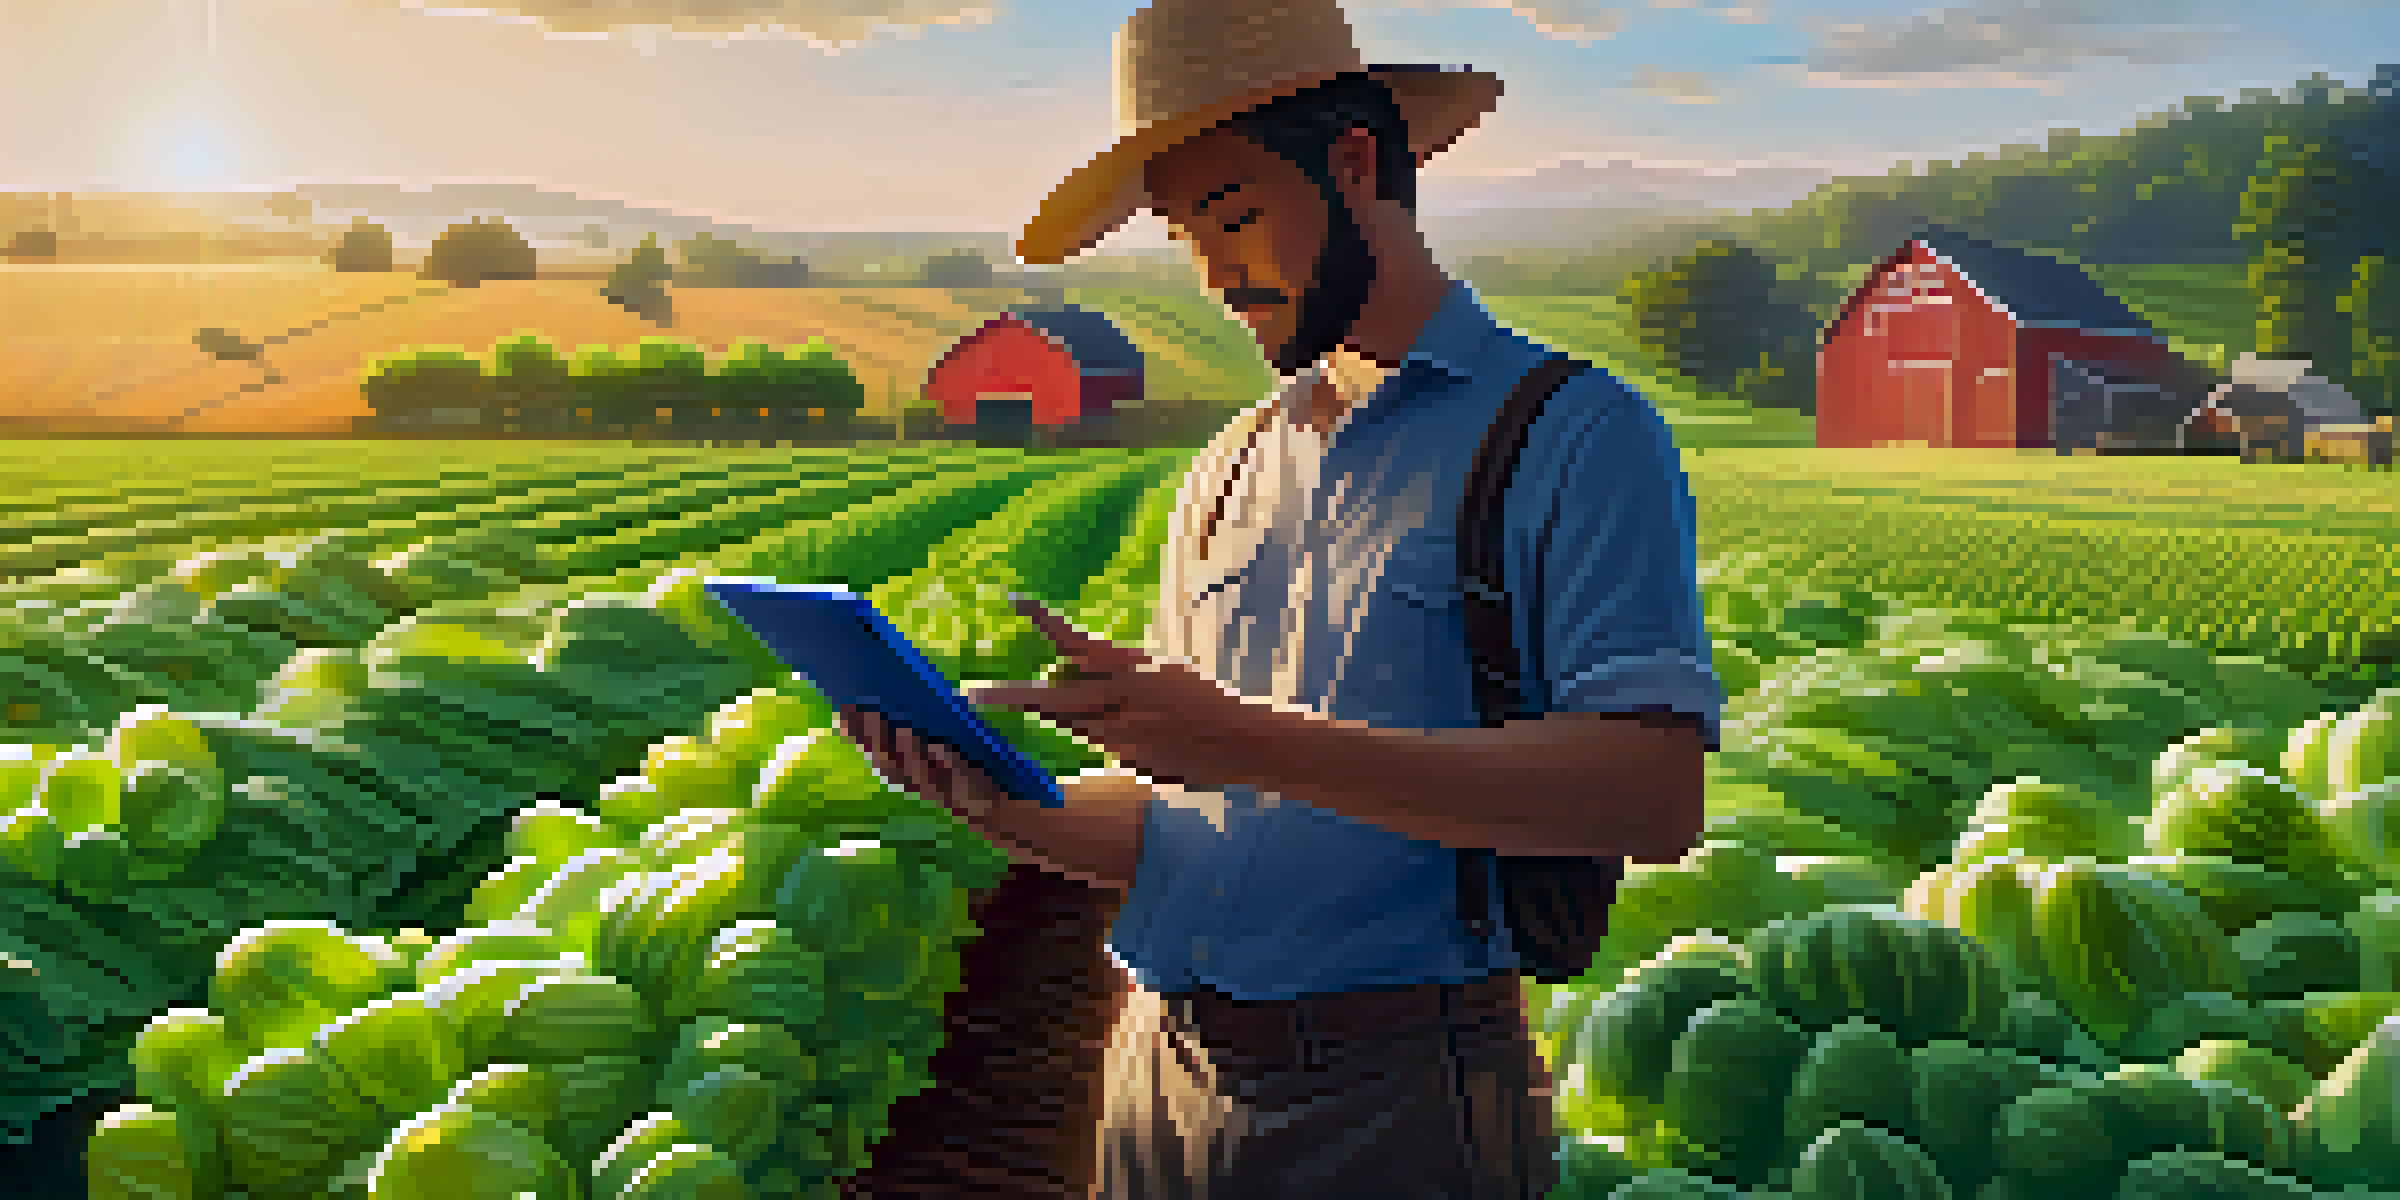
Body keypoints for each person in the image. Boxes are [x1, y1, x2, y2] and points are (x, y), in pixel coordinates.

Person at [837, 0, 1725, 1195]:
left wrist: (1238, 739)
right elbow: (1181, 826)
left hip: (1394, 1094)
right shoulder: (1229, 465)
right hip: (1155, 1068)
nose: (1210, 274)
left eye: (1236, 214)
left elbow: (1650, 794)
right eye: (1182, 234)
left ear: (1354, 165)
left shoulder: (1574, 432)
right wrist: (1001, 806)